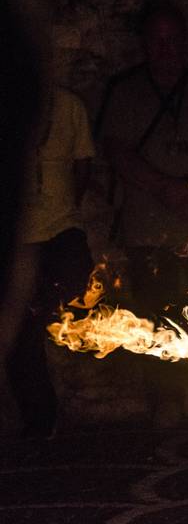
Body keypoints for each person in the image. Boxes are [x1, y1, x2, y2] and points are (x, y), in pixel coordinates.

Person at [98, 0, 188, 316]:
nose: (166, 48)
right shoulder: (127, 93)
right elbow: (117, 151)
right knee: (155, 317)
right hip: (146, 229)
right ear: (145, 44)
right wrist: (165, 188)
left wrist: (187, 187)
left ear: (185, 41)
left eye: (172, 39)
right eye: (158, 40)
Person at [4, 86, 96, 439]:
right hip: (16, 234)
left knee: (74, 282)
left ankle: (43, 307)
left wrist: (71, 204)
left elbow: (83, 160)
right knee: (21, 333)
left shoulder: (67, 104)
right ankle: (40, 419)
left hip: (61, 226)